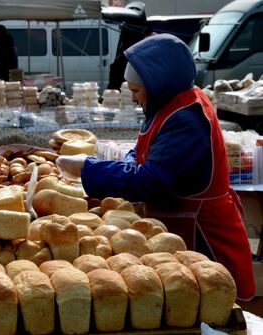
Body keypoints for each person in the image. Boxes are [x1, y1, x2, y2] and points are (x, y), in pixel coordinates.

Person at [57, 33, 255, 301]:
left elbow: (150, 179)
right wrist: (112, 166)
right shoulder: (169, 103)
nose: (134, 99)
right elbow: (141, 152)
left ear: (156, 83)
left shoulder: (187, 118)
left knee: (214, 313)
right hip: (182, 236)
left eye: (136, 91)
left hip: (204, 238)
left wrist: (88, 169)